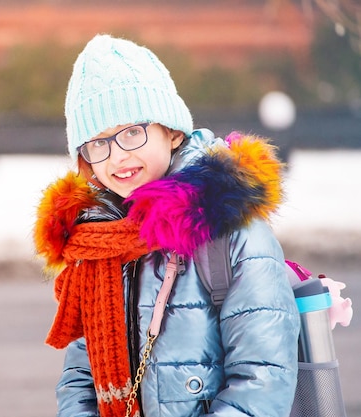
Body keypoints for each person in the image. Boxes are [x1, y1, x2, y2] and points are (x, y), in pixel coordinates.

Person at [33, 34, 300, 417]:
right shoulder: (95, 243)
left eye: (131, 133)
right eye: (97, 143)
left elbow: (263, 379)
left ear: (172, 131)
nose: (118, 156)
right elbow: (81, 376)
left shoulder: (228, 229)